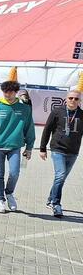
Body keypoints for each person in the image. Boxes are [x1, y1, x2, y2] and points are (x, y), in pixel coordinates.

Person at [0, 80, 35, 213]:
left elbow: (29, 129)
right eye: (5, 91)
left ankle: (9, 193)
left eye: (11, 91)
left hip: (15, 146)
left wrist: (29, 147)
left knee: (14, 172)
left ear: (16, 92)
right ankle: (0, 201)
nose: (8, 94)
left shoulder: (24, 109)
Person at [39, 89, 83, 217]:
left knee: (61, 178)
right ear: (66, 99)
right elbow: (47, 130)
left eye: (76, 99)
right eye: (70, 98)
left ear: (80, 100)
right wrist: (42, 148)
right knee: (60, 174)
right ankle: (56, 204)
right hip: (57, 149)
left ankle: (50, 199)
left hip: (73, 151)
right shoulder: (57, 112)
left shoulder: (81, 114)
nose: (73, 101)